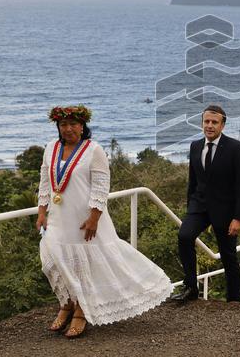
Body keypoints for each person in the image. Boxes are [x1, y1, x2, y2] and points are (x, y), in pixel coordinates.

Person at [36, 105, 173, 338]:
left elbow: (101, 187)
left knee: (85, 264)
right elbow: (45, 181)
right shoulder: (51, 148)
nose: (67, 129)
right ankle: (66, 304)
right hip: (58, 216)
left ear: (82, 126)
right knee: (56, 260)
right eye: (63, 125)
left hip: (84, 218)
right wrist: (41, 212)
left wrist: (94, 217)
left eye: (72, 125)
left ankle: (81, 311)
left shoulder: (94, 150)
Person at [172, 105, 240, 302]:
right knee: (184, 236)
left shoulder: (236, 148)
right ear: (202, 123)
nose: (209, 125)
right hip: (199, 206)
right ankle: (190, 288)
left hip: (225, 210)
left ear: (222, 125)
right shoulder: (195, 146)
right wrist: (190, 207)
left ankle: (234, 300)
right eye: (206, 121)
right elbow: (193, 180)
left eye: (214, 122)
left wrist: (239, 217)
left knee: (227, 255)